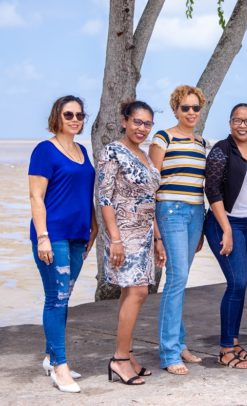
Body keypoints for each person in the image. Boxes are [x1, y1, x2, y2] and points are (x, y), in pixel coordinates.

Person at [29, 95, 97, 393]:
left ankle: (50, 356)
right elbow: (36, 197)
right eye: (69, 114)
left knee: (63, 297)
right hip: (53, 236)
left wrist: (93, 227)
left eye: (80, 115)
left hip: (78, 235)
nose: (75, 119)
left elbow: (84, 193)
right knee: (56, 298)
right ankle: (60, 367)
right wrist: (42, 236)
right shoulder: (45, 151)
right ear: (57, 116)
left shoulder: (82, 151)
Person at [98, 100, 165, 385]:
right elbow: (103, 197)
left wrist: (158, 238)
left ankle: (128, 354)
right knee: (136, 292)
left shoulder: (146, 155)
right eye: (137, 122)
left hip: (146, 233)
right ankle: (119, 360)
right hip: (123, 234)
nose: (142, 128)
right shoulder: (112, 151)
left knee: (134, 294)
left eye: (147, 123)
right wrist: (115, 239)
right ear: (125, 120)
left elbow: (150, 200)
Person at [149, 85, 207, 374]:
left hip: (196, 213)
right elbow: (151, 186)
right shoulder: (163, 138)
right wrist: (156, 234)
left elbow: (201, 186)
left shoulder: (201, 143)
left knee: (180, 280)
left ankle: (180, 343)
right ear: (176, 110)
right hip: (170, 211)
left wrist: (204, 223)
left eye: (196, 107)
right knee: (176, 278)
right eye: (186, 107)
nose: (191, 112)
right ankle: (169, 351)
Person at [204, 103, 247, 369]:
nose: (243, 125)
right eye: (238, 120)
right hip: (224, 223)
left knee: (241, 286)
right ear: (230, 123)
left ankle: (234, 340)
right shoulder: (221, 150)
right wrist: (227, 228)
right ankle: (225, 349)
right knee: (237, 283)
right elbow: (213, 189)